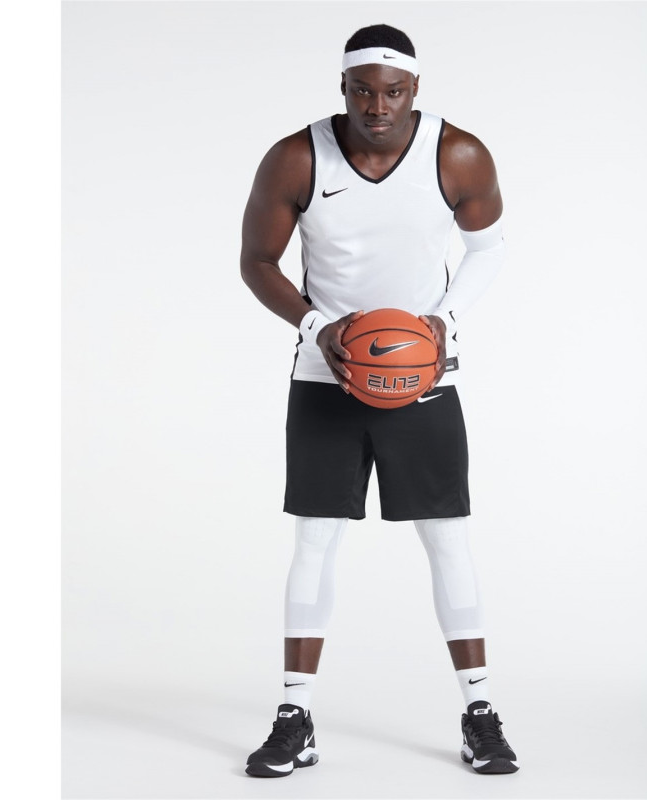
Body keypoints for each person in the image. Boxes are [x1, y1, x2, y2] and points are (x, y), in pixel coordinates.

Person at [240, 24, 518, 777]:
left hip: (425, 380)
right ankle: (295, 713)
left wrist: (444, 319)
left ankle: (479, 712)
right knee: (314, 540)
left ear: (415, 90)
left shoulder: (457, 154)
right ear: (343, 87)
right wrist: (316, 327)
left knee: (447, 539)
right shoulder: (297, 157)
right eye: (363, 90)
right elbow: (257, 260)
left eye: (393, 92)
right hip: (325, 376)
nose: (377, 106)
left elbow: (489, 247)